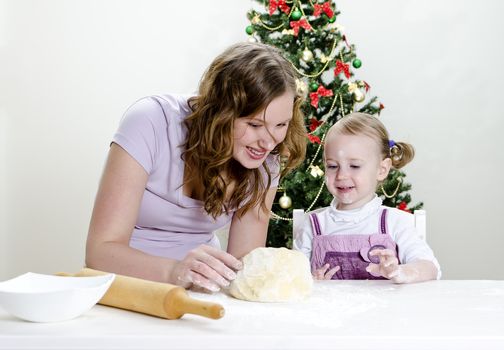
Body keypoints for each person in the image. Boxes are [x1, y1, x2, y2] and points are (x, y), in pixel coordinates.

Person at [85, 42, 307, 292]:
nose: (268, 141)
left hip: (198, 291)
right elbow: (99, 253)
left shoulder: (265, 156)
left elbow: (243, 265)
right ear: (220, 113)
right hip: (124, 287)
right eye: (255, 125)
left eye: (281, 125)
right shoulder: (150, 122)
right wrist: (174, 272)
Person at [294, 112, 440, 283]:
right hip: (330, 309)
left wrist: (400, 272)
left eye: (355, 166)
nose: (341, 175)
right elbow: (292, 278)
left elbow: (431, 268)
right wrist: (311, 281)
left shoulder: (394, 223)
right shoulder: (313, 225)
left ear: (382, 169)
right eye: (332, 166)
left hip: (385, 309)